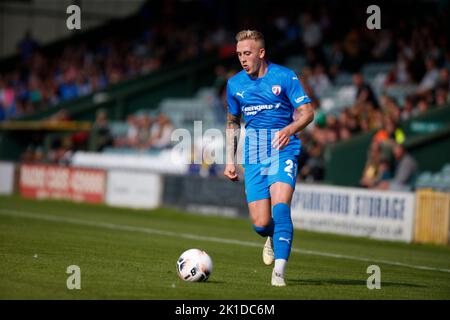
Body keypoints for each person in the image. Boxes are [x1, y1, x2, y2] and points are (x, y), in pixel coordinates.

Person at [223, 30, 314, 286]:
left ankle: (279, 272)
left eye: (247, 53)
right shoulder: (234, 85)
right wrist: (230, 160)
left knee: (281, 206)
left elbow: (307, 113)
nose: (242, 58)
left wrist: (290, 129)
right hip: (253, 155)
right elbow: (232, 123)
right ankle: (271, 237)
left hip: (283, 150)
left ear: (261, 53)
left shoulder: (285, 76)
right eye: (239, 54)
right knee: (261, 224)